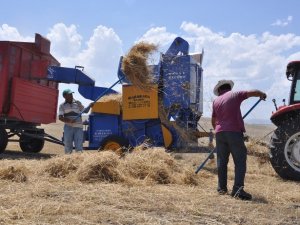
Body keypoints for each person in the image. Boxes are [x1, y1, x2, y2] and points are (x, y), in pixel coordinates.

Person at [211, 80, 266, 200]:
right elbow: (253, 92)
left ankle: (222, 188)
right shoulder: (235, 94)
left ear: (219, 90)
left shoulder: (215, 101)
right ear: (228, 88)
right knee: (240, 161)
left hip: (219, 133)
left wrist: (219, 131)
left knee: (222, 162)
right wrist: (261, 94)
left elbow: (213, 119)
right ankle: (237, 190)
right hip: (234, 132)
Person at [58, 89, 92, 154]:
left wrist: (90, 106)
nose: (71, 95)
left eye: (71, 94)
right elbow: (60, 117)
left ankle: (78, 160)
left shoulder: (77, 103)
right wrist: (69, 120)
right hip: (68, 127)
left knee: (79, 145)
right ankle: (68, 159)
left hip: (78, 127)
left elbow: (85, 111)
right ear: (64, 96)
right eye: (69, 94)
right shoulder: (62, 105)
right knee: (68, 145)